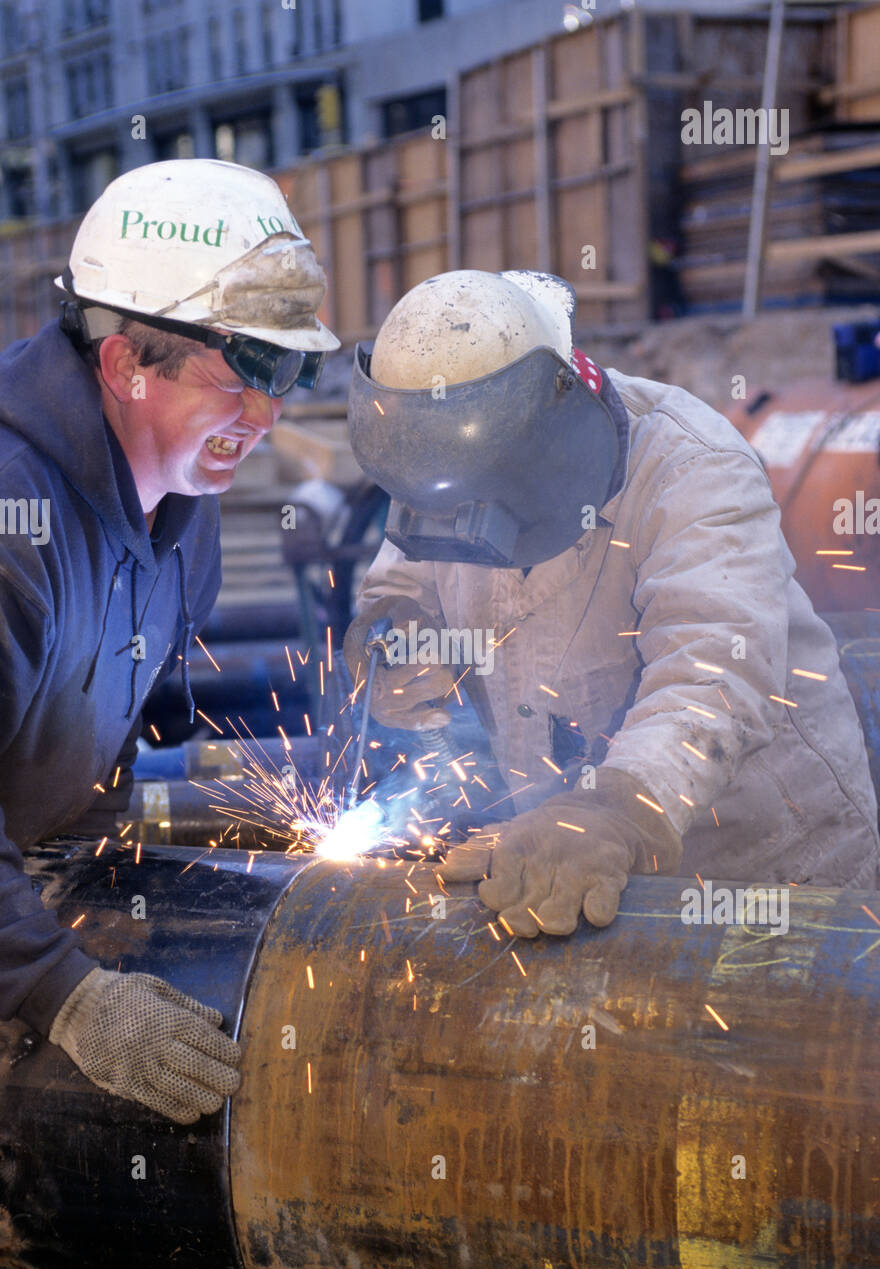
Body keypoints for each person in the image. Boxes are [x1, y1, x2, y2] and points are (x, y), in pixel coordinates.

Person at [344, 269, 880, 937]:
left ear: (556, 429)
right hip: (566, 866)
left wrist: (618, 812)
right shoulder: (444, 456)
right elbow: (401, 584)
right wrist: (393, 637)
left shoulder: (692, 466)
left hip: (769, 879)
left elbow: (712, 674)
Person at [0, 158, 339, 1122]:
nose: (271, 416)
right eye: (249, 371)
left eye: (293, 369)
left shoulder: (185, 514)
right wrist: (61, 994)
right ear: (124, 366)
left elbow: (92, 749)